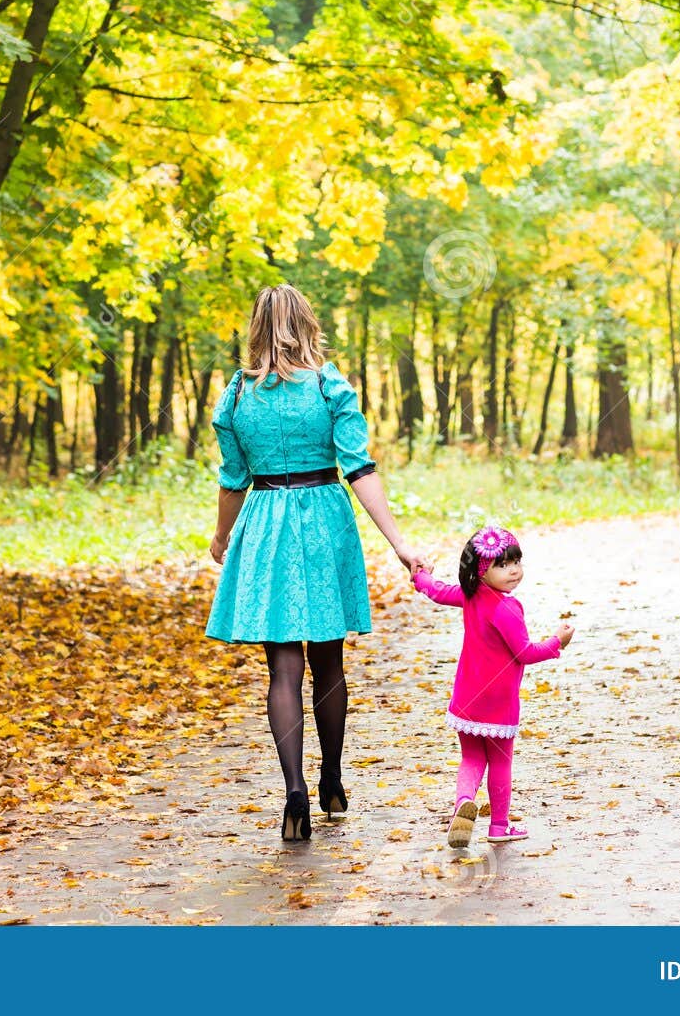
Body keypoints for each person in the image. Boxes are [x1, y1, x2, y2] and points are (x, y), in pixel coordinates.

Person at [206, 284, 427, 841]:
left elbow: (234, 480)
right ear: (308, 323)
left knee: (282, 666)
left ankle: (294, 793)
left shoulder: (236, 396)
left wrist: (222, 535)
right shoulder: (330, 386)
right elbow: (361, 469)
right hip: (324, 521)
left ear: (255, 328)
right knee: (328, 662)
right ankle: (331, 777)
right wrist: (398, 542)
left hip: (265, 524)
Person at [412, 526, 574, 846]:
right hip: (499, 703)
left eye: (516, 561)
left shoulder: (470, 596)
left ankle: (463, 803)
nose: (513, 570)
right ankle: (499, 826)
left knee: (472, 758)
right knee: (500, 761)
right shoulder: (507, 609)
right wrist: (558, 642)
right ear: (481, 571)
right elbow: (526, 653)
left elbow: (438, 590)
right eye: (502, 564)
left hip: (467, 697)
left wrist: (421, 577)